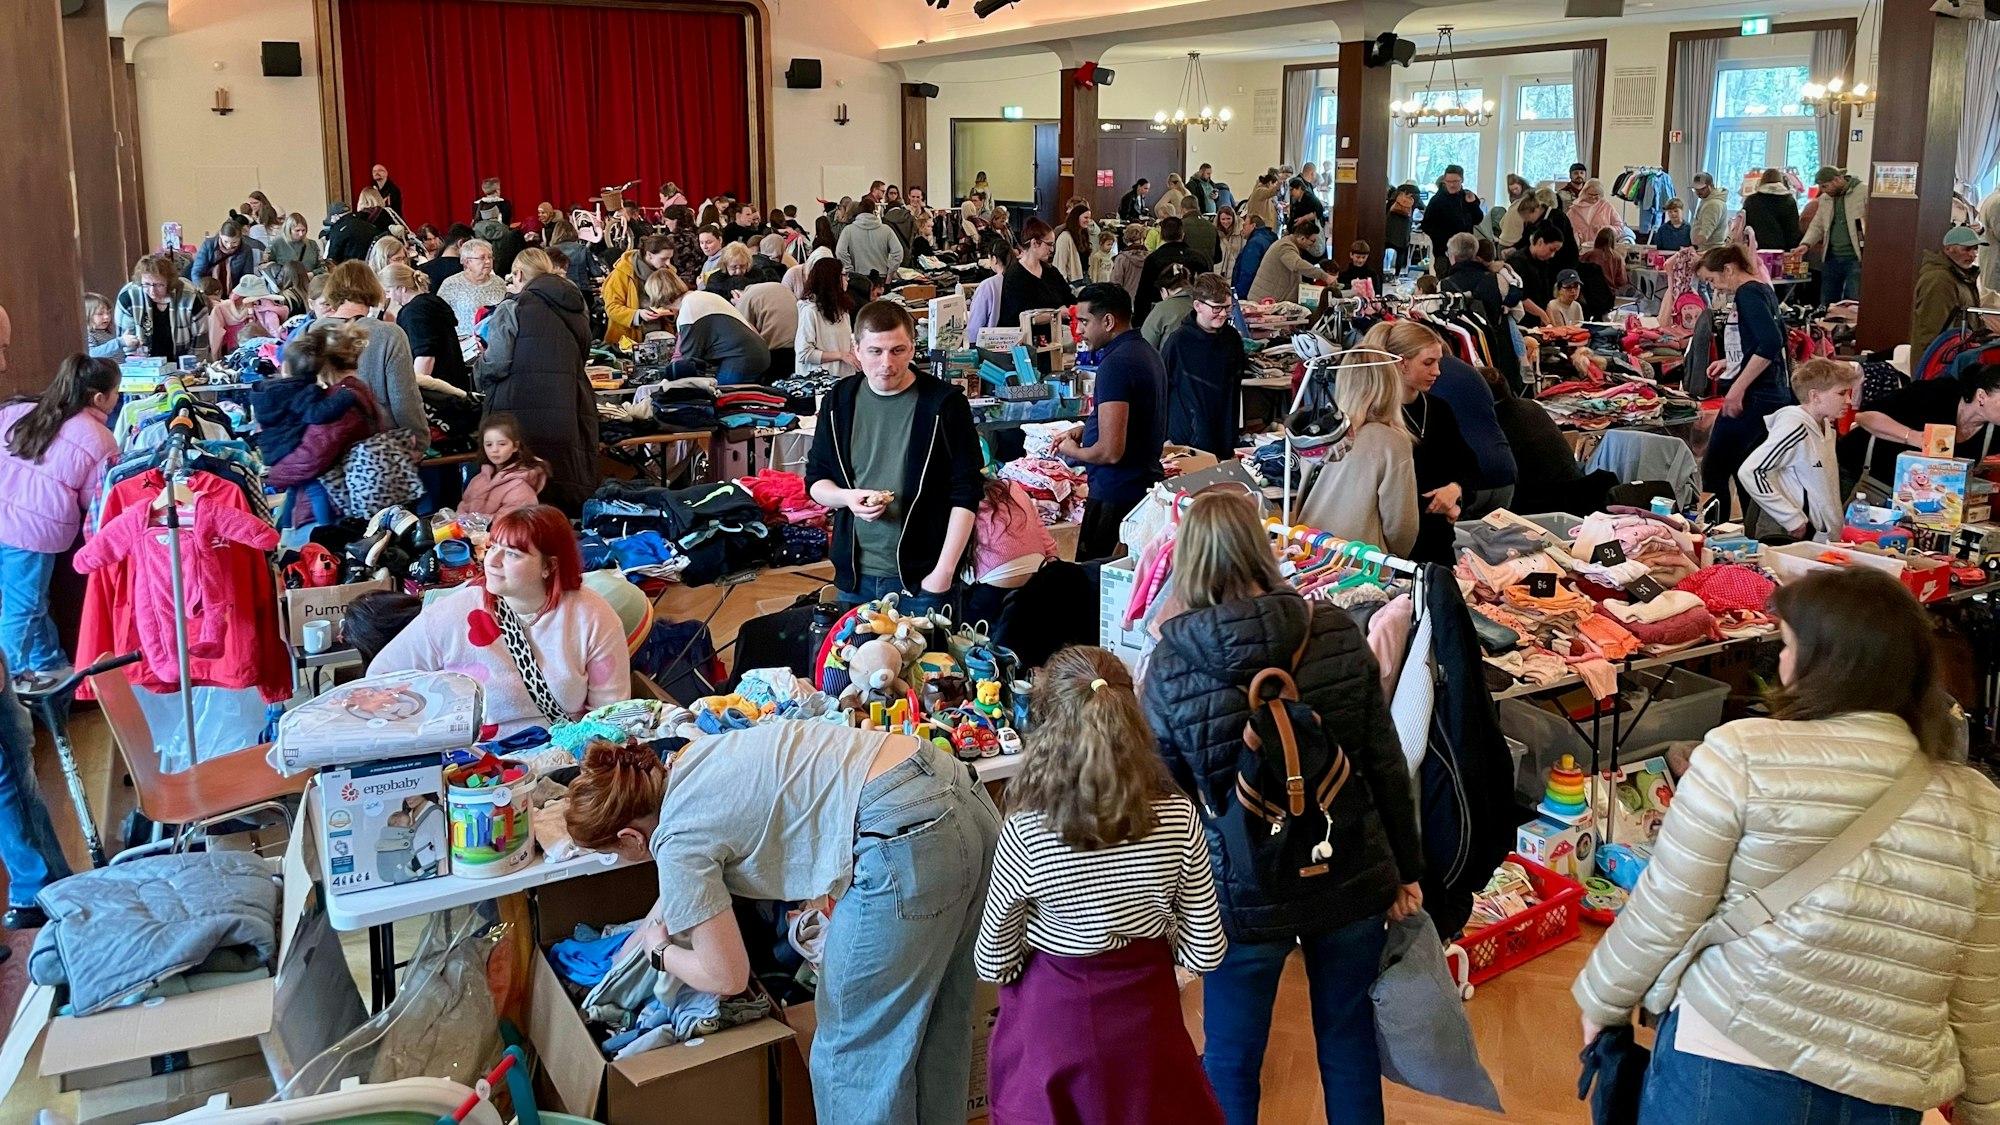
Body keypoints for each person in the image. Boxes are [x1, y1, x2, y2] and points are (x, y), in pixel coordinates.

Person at [1576, 565, 2000, 1125]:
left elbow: (1668, 908)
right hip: (1883, 1089)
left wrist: (1601, 1001)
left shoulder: (1742, 753)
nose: (1779, 662)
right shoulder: (1978, 804)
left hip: (1729, 1055)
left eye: (1788, 646)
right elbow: (1979, 984)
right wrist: (1985, 1106)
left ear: (1827, 664)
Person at [567, 687, 999, 1125]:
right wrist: (651, 927)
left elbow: (727, 976)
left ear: (629, 839)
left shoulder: (677, 842)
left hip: (907, 834)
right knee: (937, 1025)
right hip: (958, 792)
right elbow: (687, 883)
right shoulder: (692, 759)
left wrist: (662, 953)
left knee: (851, 1056)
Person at [1141, 489, 1425, 1125]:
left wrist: (1172, 912)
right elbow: (1383, 761)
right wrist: (1406, 869)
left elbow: (1168, 802)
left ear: (1187, 560)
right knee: (1348, 1042)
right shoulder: (1335, 631)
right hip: (1347, 862)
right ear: (1264, 549)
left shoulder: (1169, 667)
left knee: (1232, 1059)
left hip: (1238, 891)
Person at [978, 644, 1227, 1125]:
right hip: (1145, 1021)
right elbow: (1206, 951)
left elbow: (992, 959)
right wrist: (1158, 931)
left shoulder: (1028, 828)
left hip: (1052, 1023)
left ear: (1048, 724)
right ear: (1131, 717)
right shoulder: (1177, 816)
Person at [372, 505, 627, 733]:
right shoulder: (450, 615)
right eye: (492, 547)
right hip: (475, 769)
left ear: (549, 566)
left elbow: (611, 716)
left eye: (513, 554)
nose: (492, 560)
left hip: (568, 761)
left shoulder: (591, 616)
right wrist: (431, 733)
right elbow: (380, 680)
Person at [806, 300, 982, 611]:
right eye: (875, 351)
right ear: (856, 350)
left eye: (897, 350)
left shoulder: (945, 404)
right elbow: (817, 479)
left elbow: (966, 493)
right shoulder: (839, 401)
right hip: (855, 577)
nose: (886, 363)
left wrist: (943, 571)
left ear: (913, 348)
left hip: (923, 577)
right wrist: (847, 498)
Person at [0, 354, 119, 691]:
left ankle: (48, 663)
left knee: (22, 602)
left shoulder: (17, 409)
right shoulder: (100, 439)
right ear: (99, 397)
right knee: (23, 608)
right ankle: (8, 687)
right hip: (32, 534)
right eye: (116, 393)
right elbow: (90, 500)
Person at [475, 250, 595, 512]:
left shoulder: (512, 307)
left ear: (518, 274)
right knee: (560, 493)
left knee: (520, 499)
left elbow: (497, 363)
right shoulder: (577, 306)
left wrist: (479, 368)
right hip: (569, 405)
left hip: (519, 410)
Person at [1057, 284, 1166, 562]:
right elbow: (1137, 417)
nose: (1078, 330)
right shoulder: (1146, 352)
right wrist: (1089, 428)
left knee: (1094, 582)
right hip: (1140, 488)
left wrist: (1072, 452)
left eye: (1084, 321)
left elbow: (1110, 451)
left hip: (1115, 495)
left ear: (1107, 321)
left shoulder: (1115, 364)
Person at [1698, 243, 1793, 525]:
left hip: (1756, 396)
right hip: (1769, 393)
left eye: (1713, 280)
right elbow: (1770, 339)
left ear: (1728, 269)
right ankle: (1750, 532)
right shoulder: (1763, 288)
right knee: (1745, 467)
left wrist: (1738, 388)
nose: (1716, 289)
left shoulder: (1747, 293)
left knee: (1715, 469)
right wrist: (1732, 361)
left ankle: (1714, 532)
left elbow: (1770, 343)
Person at [1296, 345, 1419, 557]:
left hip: (1306, 551)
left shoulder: (1323, 432)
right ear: (1391, 384)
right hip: (1359, 562)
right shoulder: (1391, 442)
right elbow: (1401, 525)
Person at [255, 320, 373, 527]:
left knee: (295, 491)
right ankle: (325, 530)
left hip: (273, 450)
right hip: (291, 452)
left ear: (284, 367)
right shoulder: (313, 392)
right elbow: (316, 417)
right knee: (315, 488)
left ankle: (281, 530)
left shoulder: (270, 391)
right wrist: (346, 396)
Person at [1376, 320, 1475, 565]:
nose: (1437, 371)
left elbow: (1469, 465)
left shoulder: (1439, 409)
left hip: (1438, 544)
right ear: (1402, 363)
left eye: (1438, 362)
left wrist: (1455, 490)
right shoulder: (1376, 419)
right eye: (1428, 363)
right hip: (1389, 550)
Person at [1735, 357, 1861, 542]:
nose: (1848, 400)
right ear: (1815, 396)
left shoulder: (1825, 427)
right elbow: (1750, 471)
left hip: (1815, 532)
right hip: (1789, 533)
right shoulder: (1795, 427)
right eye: (1841, 393)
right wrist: (1791, 518)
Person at [1845, 364, 2000, 485]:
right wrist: (1914, 437)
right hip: (1857, 473)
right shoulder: (1936, 393)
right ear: (1981, 396)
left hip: (1913, 498)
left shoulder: (1994, 429)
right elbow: (1864, 417)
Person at [1160, 275, 1247, 460]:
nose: (1223, 314)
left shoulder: (1232, 339)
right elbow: (1161, 390)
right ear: (1198, 305)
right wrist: (1164, 437)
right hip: (1187, 438)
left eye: (1227, 307)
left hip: (1224, 434)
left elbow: (1235, 387)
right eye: (1216, 308)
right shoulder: (1178, 342)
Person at [959, 478, 1058, 629]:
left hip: (994, 584)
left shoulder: (960, 501)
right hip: (1037, 575)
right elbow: (1044, 535)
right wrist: (1055, 570)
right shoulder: (1011, 486)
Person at [378, 263, 469, 391]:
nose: (388, 297)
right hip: (454, 383)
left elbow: (425, 355)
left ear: (402, 288)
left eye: (388, 291)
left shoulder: (413, 312)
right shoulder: (431, 302)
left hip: (438, 392)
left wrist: (415, 391)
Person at [115, 254, 207, 362]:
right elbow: (126, 343)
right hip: (143, 363)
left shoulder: (191, 297)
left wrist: (192, 369)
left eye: (159, 285)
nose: (152, 291)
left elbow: (200, 342)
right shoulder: (128, 298)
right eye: (146, 285)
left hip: (182, 361)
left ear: (169, 282)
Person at [1798, 166, 1868, 302]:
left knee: (1852, 300)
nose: (1823, 191)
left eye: (1825, 186)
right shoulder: (1825, 199)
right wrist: (1806, 244)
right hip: (1831, 258)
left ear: (1837, 179)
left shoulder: (1864, 192)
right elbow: (1817, 225)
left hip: (1855, 257)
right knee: (1828, 301)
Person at [459, 412, 547, 519]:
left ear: (515, 446)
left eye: (502, 444)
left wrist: (472, 523)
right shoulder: (479, 479)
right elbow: (463, 507)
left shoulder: (520, 488)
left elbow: (508, 525)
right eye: (489, 445)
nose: (494, 450)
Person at [671, 291, 770, 386]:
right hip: (759, 353)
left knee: (722, 397)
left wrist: (670, 378)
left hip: (740, 359)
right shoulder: (703, 298)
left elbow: (689, 357)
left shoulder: (689, 309)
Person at [1912, 227, 1985, 351]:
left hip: (1954, 357)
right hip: (1941, 362)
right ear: (1948, 249)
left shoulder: (1961, 277)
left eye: (1975, 249)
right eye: (1967, 249)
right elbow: (1932, 330)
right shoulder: (1939, 279)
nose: (1973, 255)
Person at [601, 233, 677, 349]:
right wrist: (637, 315)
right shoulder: (621, 273)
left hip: (661, 336)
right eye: (664, 259)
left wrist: (672, 312)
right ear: (649, 255)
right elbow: (612, 307)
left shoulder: (668, 271)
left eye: (670, 259)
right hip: (628, 340)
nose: (668, 264)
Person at [997, 218, 1074, 330]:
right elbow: (1021, 316)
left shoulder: (1051, 272)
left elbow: (1069, 298)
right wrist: (1057, 313)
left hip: (1055, 335)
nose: (1052, 249)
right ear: (1034, 243)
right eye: (1049, 244)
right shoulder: (1014, 276)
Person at [1244, 218, 1339, 306]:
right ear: (1302, 238)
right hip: (1265, 302)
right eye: (1312, 241)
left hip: (1270, 300)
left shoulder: (1289, 245)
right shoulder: (1286, 247)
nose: (1313, 245)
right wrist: (1324, 276)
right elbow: (1298, 265)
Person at [795, 257, 858, 381]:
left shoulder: (842, 308)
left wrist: (854, 351)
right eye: (844, 275)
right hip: (820, 382)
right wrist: (840, 355)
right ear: (832, 279)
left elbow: (845, 339)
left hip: (843, 377)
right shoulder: (810, 311)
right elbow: (804, 353)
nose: (848, 279)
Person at [437, 239, 507, 334]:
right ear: (467, 262)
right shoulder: (451, 284)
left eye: (490, 257)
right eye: (482, 258)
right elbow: (439, 316)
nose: (487, 261)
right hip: (464, 342)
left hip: (495, 339)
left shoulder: (499, 282)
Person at [207, 274, 286, 355]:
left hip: (232, 348)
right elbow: (275, 332)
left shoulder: (223, 308)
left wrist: (215, 354)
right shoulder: (265, 309)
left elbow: (215, 335)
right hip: (259, 350)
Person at [735, 281, 799, 379]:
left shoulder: (748, 296)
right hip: (796, 349)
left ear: (735, 293)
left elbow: (741, 328)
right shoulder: (780, 287)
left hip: (772, 354)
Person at [836, 198, 904, 284]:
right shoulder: (886, 230)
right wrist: (890, 272)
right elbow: (898, 252)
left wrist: (850, 271)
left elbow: (840, 252)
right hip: (881, 277)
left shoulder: (848, 230)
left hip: (858, 277)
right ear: (873, 211)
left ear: (858, 211)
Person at [1419, 164, 1484, 247]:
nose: (1452, 185)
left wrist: (1472, 204)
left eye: (1455, 181)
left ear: (1462, 180)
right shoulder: (1437, 200)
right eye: (1448, 182)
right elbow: (1426, 225)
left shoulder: (1468, 196)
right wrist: (1443, 239)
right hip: (1444, 249)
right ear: (1444, 180)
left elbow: (1478, 220)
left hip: (1466, 247)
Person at [964, 236, 1015, 340]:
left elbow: (976, 324)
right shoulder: (1020, 281)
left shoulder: (988, 286)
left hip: (992, 344)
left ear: (994, 259)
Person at [1740, 168, 1802, 251]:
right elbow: (1793, 230)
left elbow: (1746, 225)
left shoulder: (1751, 200)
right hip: (1781, 249)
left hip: (1755, 248)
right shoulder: (1789, 201)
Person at [188, 221, 259, 292]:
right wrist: (203, 292)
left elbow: (247, 277)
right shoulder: (208, 246)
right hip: (208, 291)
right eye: (226, 241)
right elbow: (197, 272)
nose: (229, 246)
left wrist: (238, 294)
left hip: (234, 292)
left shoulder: (246, 250)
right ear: (220, 235)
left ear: (240, 238)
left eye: (234, 242)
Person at [1141, 265, 1196, 351]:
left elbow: (1146, 345)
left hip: (1167, 362)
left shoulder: (1162, 308)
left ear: (1163, 290)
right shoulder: (1201, 304)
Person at [1566, 178, 1628, 248]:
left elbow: (1619, 226)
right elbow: (1565, 229)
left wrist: (1605, 229)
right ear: (1584, 192)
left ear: (1601, 194)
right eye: (1590, 194)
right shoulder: (1574, 209)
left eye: (1596, 195)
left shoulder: (1607, 206)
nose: (1593, 197)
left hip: (1602, 249)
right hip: (1579, 250)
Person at [418, 224, 471, 291]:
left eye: (434, 238)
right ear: (461, 244)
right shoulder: (467, 269)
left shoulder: (423, 269)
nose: (433, 242)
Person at [1053, 203, 1094, 284]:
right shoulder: (1065, 237)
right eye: (1085, 218)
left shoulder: (1084, 235)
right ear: (1076, 218)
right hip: (1072, 280)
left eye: (1089, 218)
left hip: (1085, 277)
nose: (1088, 221)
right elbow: (1060, 263)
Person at [1686, 172, 1728, 250]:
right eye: (1696, 189)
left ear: (1710, 186)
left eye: (1702, 189)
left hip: (1709, 251)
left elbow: (1705, 233)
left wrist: (1693, 247)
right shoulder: (1707, 201)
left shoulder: (1713, 204)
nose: (1698, 192)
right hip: (1707, 250)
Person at [1580, 227, 1628, 292]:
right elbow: (1622, 281)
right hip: (1608, 293)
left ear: (1597, 240)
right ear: (1613, 241)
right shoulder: (1617, 257)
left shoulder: (1588, 255)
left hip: (1589, 292)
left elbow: (1579, 272)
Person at [1109, 224, 1149, 302]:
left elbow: (1116, 283)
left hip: (1126, 301)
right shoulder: (1150, 257)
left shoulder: (1121, 258)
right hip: (1146, 301)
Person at [1179, 197, 1221, 269]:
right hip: (1207, 273)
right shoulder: (1212, 227)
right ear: (1198, 207)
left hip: (1188, 272)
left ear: (1183, 209)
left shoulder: (1180, 225)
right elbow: (1218, 257)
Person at [83, 293, 121, 359]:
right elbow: (91, 354)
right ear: (87, 316)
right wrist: (119, 342)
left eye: (108, 312)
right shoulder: (89, 335)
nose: (106, 317)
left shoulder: (107, 333)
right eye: (100, 314)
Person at [1213, 206, 1245, 283]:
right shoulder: (1215, 233)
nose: (1226, 222)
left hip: (1234, 270)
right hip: (1218, 269)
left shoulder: (1241, 233)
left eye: (1228, 218)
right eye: (1223, 219)